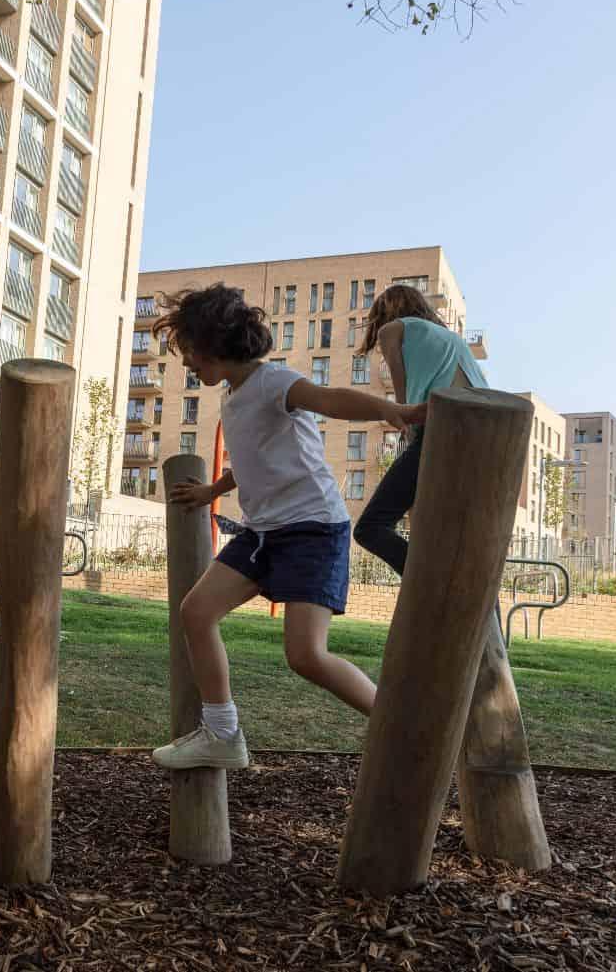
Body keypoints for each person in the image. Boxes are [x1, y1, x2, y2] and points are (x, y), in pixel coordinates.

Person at [148, 284, 427, 771]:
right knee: (196, 612)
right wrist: (213, 492)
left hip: (313, 529)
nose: (188, 363)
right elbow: (253, 459)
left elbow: (329, 398)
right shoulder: (234, 399)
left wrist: (386, 409)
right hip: (263, 534)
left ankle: (402, 724)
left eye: (190, 350)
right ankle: (222, 732)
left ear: (218, 342)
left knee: (306, 656)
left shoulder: (272, 380)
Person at [352, 283, 486, 577]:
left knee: (370, 527)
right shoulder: (453, 338)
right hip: (486, 436)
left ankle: (428, 578)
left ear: (384, 311)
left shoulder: (393, 330)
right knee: (457, 535)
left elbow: (404, 404)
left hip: (441, 429)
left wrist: (408, 431)